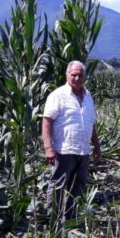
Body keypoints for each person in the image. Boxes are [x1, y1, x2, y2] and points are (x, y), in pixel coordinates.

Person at [42, 60, 101, 221]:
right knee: (57, 186)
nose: (77, 78)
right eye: (73, 75)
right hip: (64, 149)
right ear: (67, 75)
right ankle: (54, 221)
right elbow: (47, 121)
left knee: (77, 187)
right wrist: (48, 148)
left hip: (83, 150)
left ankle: (69, 221)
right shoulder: (58, 95)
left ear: (84, 77)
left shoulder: (88, 96)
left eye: (80, 75)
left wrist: (96, 144)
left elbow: (91, 122)